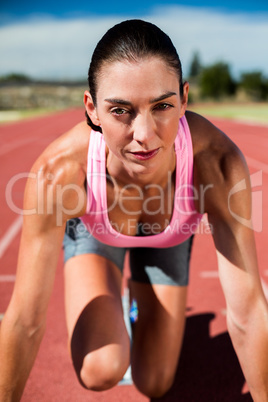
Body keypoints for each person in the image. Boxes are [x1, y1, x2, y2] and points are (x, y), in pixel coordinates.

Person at [0, 19, 268, 401]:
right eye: (121, 111)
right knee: (100, 368)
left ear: (185, 99)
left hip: (168, 239)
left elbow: (248, 313)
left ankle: (137, 308)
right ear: (92, 109)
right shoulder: (59, 174)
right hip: (97, 234)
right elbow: (24, 320)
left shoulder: (218, 164)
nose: (144, 135)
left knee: (156, 382)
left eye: (162, 106)